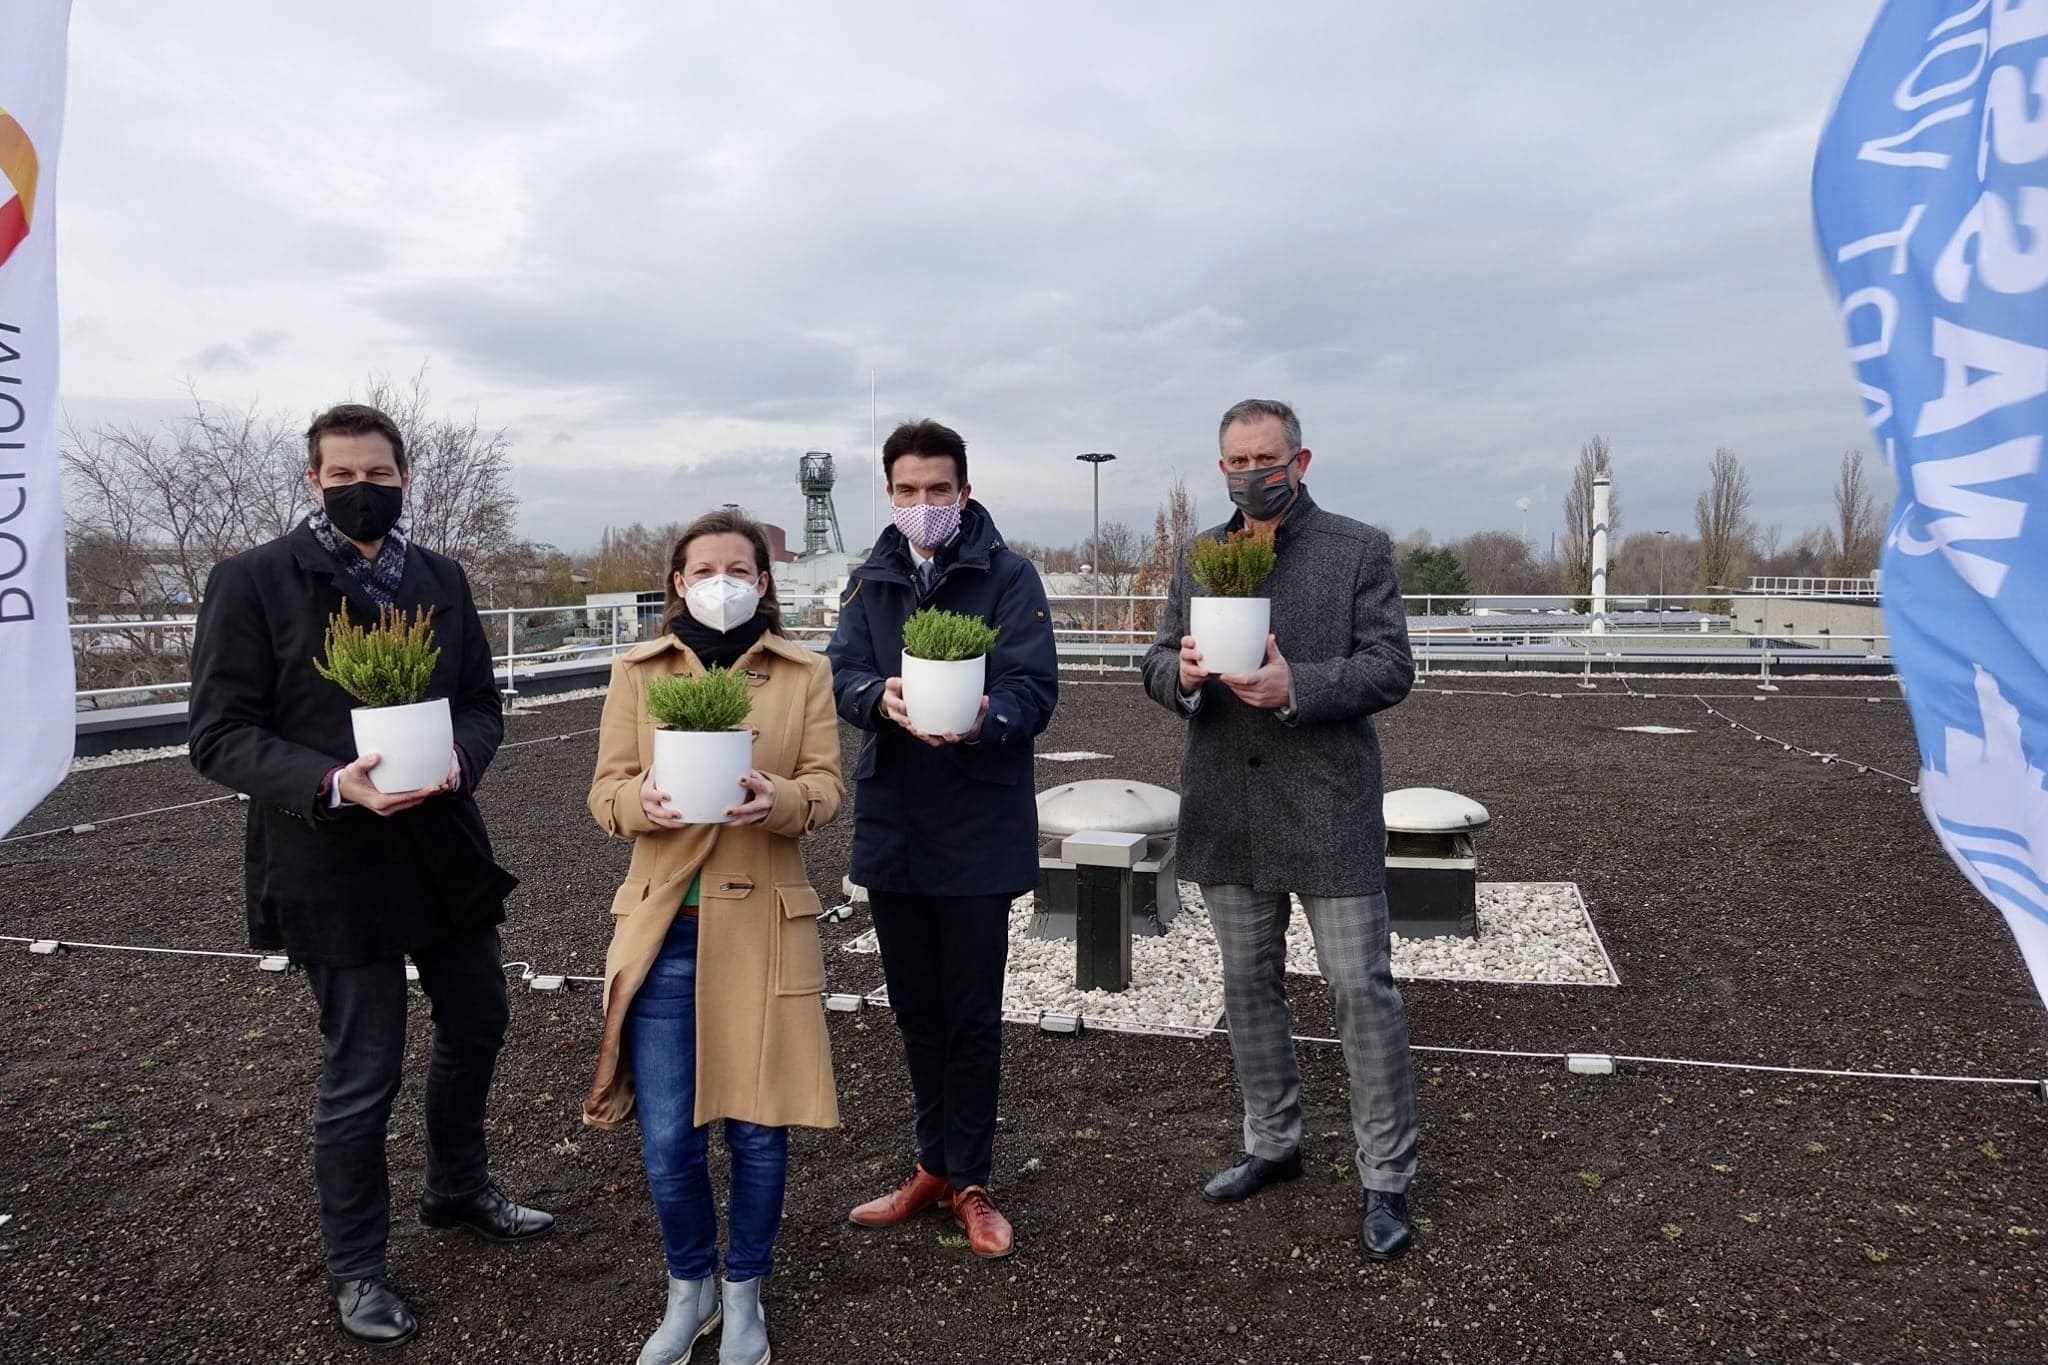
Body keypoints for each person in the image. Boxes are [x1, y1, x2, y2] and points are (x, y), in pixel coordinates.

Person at [187, 403, 553, 1350]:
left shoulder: (439, 578)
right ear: (313, 479)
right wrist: (326, 783)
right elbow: (219, 732)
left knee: (479, 1018)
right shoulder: (257, 581)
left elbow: (478, 699)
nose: (362, 488)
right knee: (364, 1068)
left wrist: (461, 763)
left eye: (379, 473)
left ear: (403, 475)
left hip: (441, 851)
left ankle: (457, 1187)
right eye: (342, 474)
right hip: (330, 861)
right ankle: (357, 1264)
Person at [1140, 398, 1419, 1260]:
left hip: (1327, 805)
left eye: (1265, 457)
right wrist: (1181, 675)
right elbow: (1151, 662)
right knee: (1247, 984)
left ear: (1300, 462)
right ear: (1219, 466)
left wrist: (1300, 684)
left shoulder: (1356, 549)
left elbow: (1391, 665)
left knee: (1357, 989)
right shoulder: (1200, 555)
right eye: (1233, 460)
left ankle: (1386, 1176)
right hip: (1228, 801)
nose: (1249, 471)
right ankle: (1273, 1141)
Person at [582, 509, 844, 1365]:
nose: (724, 580)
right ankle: (687, 1289)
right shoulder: (638, 670)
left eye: (742, 566)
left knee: (759, 1129)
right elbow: (606, 794)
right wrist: (640, 804)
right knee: (667, 1137)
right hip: (664, 927)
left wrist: (783, 799)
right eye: (705, 568)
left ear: (764, 582)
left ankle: (744, 1295)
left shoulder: (806, 673)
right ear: (678, 582)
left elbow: (827, 788)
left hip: (766, 922)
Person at [827, 419, 1058, 1259]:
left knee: (971, 1014)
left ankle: (972, 1178)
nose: (923, 504)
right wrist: (872, 697)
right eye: (907, 491)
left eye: (938, 489)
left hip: (976, 825)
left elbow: (1035, 687)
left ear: (963, 488)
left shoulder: (1007, 575)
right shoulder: (871, 579)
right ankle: (930, 1163)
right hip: (895, 827)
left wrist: (982, 716)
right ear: (888, 494)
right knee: (916, 1009)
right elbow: (840, 669)